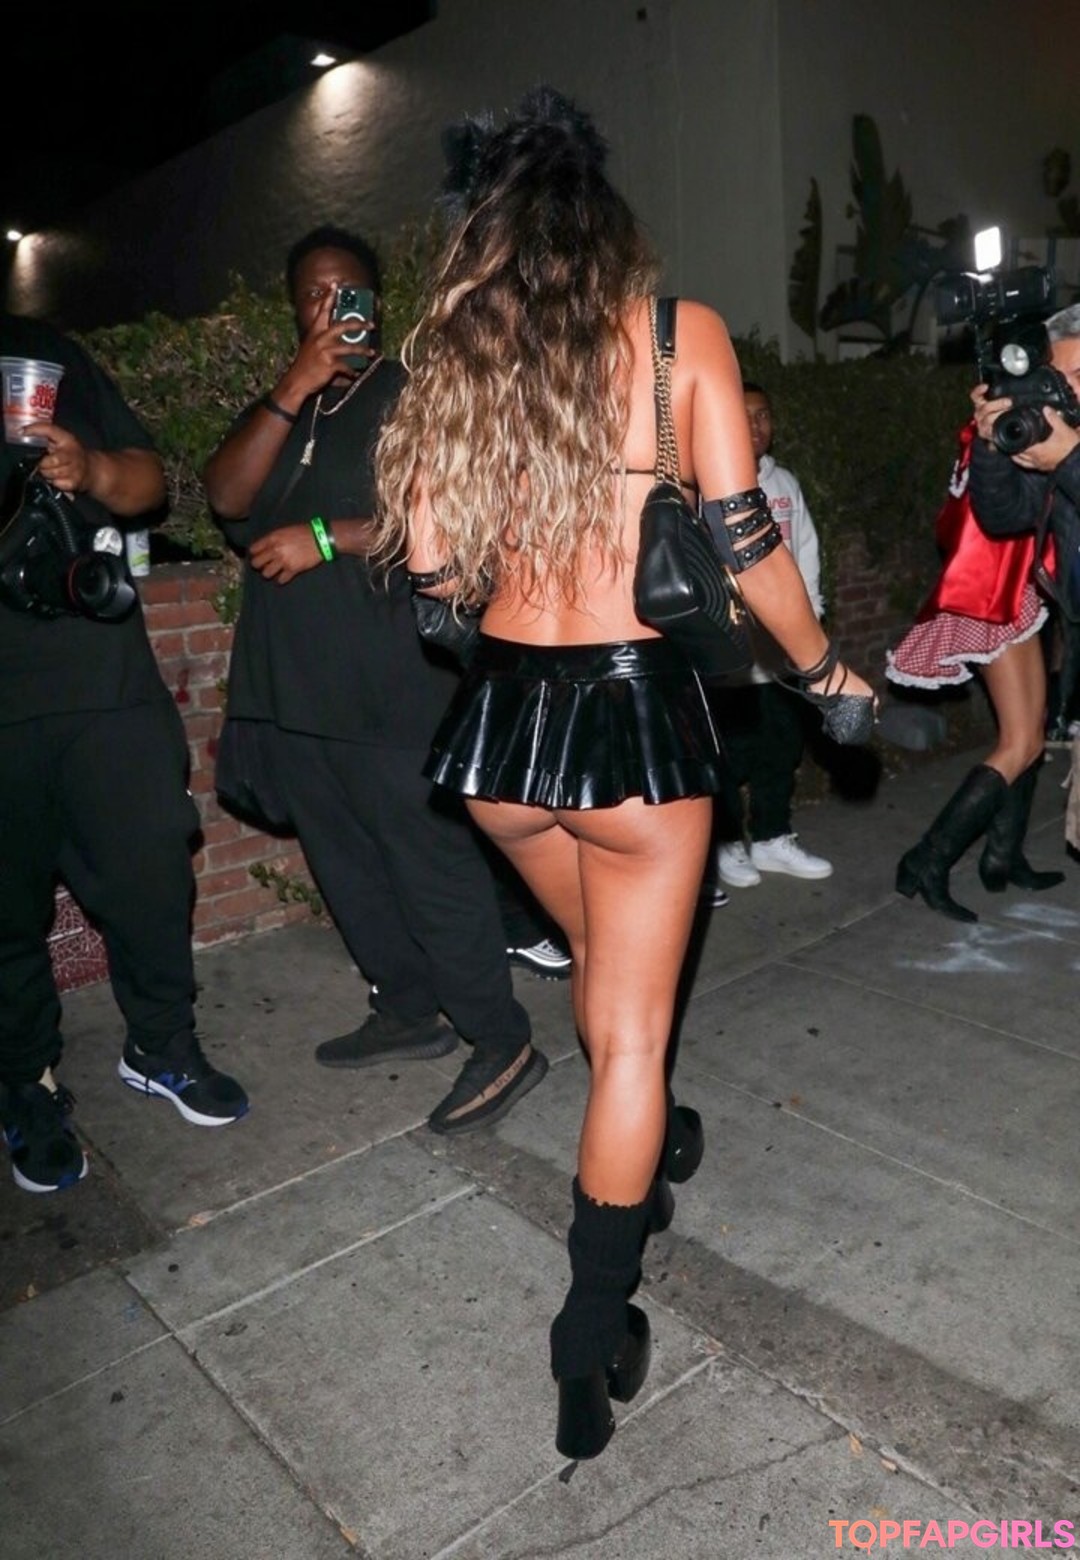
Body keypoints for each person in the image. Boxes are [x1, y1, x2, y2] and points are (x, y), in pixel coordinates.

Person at [373, 88, 874, 1459]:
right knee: (636, 1033)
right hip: (635, 727)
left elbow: (433, 575)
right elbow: (747, 542)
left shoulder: (461, 358)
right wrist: (826, 674)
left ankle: (641, 1147)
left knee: (604, 964)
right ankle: (588, 1332)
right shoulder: (674, 337)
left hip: (502, 737)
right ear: (604, 222)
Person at [202, 225, 545, 1136]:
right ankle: (405, 1008)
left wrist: (328, 537)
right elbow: (226, 497)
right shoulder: (284, 407)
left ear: (376, 305)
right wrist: (292, 386)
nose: (332, 309)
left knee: (430, 867)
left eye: (346, 292)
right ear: (294, 309)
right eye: (314, 296)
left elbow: (470, 521)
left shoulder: (416, 399)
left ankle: (501, 1037)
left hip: (395, 684)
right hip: (296, 687)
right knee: (348, 867)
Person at [0, 313, 249, 1194]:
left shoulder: (42, 349)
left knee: (152, 874)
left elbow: (146, 484)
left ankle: (161, 1045)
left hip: (104, 680)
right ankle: (25, 1083)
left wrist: (91, 471)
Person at [887, 308, 1074, 921]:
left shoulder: (1041, 426)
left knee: (1030, 733)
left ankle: (1001, 856)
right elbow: (994, 519)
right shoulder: (1012, 430)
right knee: (1021, 742)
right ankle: (926, 860)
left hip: (1015, 594)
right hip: (992, 597)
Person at [711, 382, 833, 895]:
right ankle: (724, 844)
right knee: (725, 754)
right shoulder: (708, 486)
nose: (756, 426)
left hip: (779, 656)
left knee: (781, 746)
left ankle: (771, 837)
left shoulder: (784, 484)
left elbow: (805, 554)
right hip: (730, 659)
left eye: (763, 415)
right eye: (744, 416)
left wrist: (810, 623)